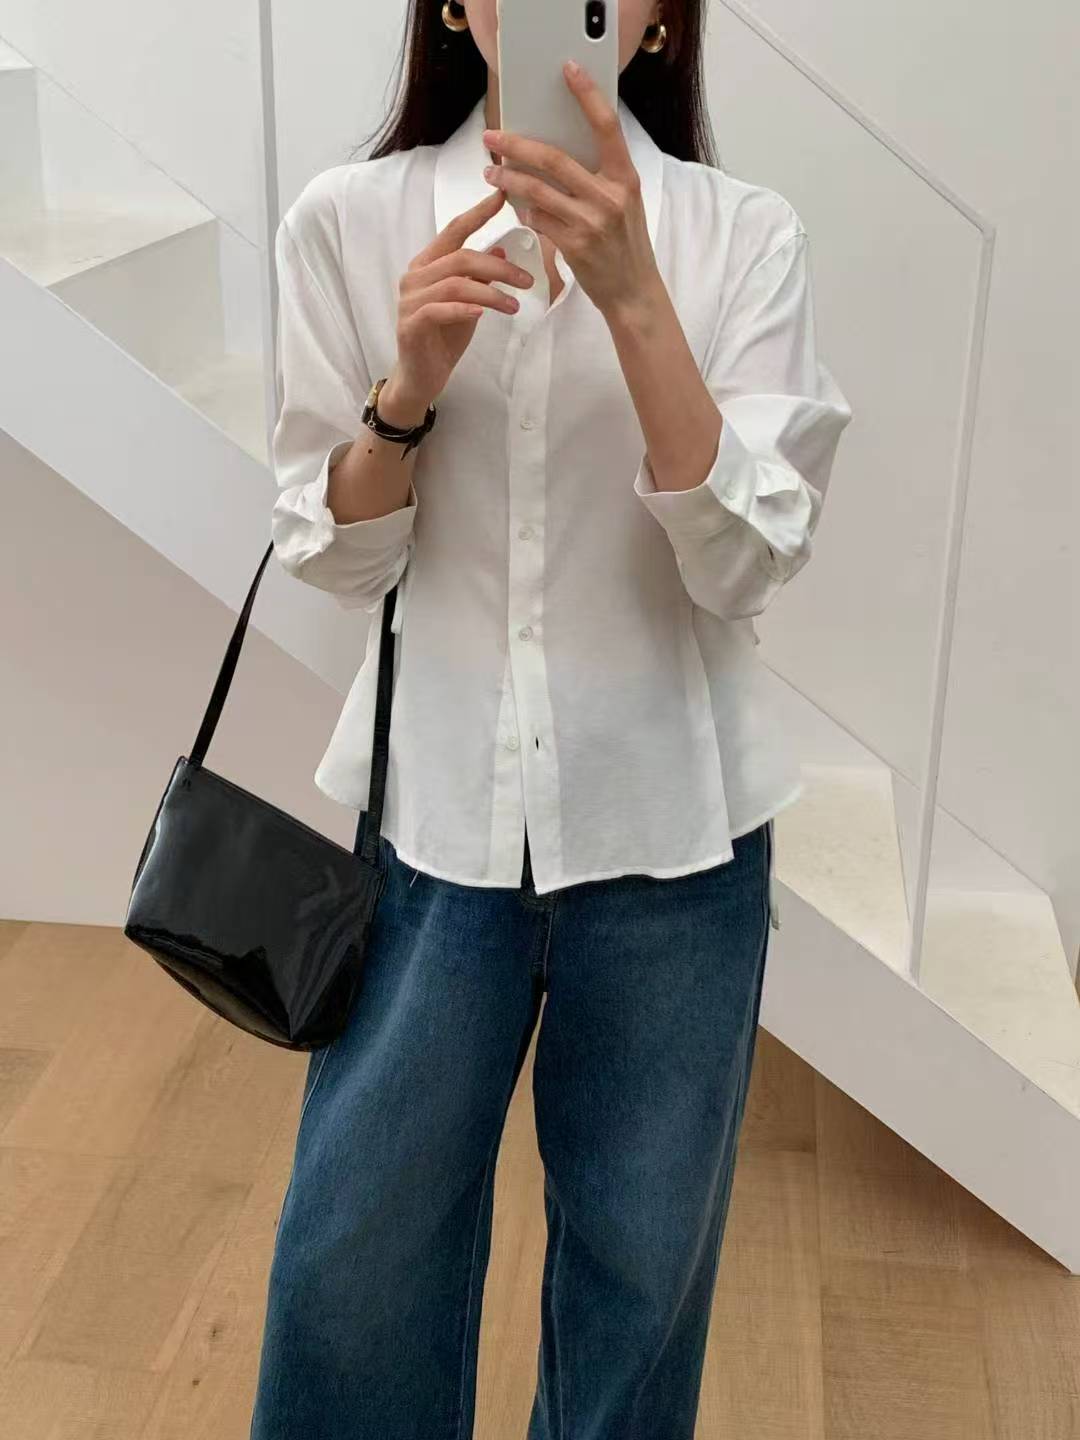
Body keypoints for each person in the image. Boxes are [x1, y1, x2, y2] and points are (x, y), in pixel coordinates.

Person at [249, 2, 853, 1437]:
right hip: (432, 830)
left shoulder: (741, 235)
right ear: (457, 7)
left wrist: (637, 301)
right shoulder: (349, 221)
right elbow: (333, 559)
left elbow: (746, 564)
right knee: (355, 1262)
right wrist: (407, 392)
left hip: (677, 842)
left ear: (659, 27)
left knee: (639, 1289)